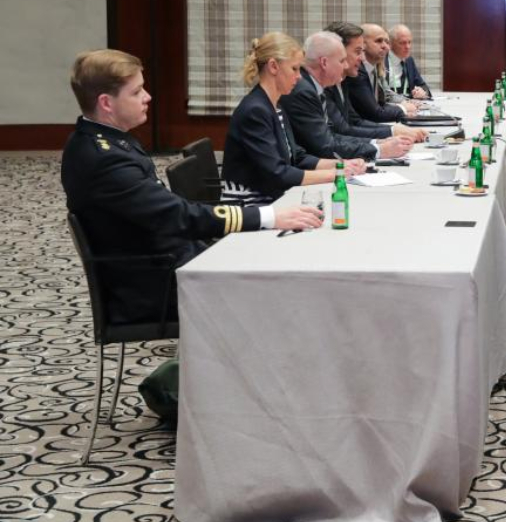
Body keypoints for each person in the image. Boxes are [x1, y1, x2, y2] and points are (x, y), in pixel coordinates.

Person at [62, 50, 322, 324]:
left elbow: (167, 214)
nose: (147, 97)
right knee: (283, 283)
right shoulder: (105, 159)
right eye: (136, 92)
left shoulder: (108, 140)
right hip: (155, 285)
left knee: (274, 255)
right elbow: (176, 216)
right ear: (106, 103)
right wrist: (268, 216)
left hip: (166, 260)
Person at [222, 32, 367, 206]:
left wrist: (342, 165)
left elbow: (297, 157)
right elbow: (278, 173)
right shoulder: (255, 111)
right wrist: (337, 174)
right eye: (294, 69)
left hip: (272, 196)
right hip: (249, 203)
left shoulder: (275, 105)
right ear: (273, 66)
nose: (299, 76)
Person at [279, 31, 415, 161]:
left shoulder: (315, 86)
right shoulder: (304, 91)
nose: (345, 66)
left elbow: (332, 136)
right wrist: (378, 150)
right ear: (324, 63)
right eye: (342, 61)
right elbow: (325, 146)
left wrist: (377, 142)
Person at [386, 23, 431, 100]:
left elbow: (423, 86)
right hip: (389, 102)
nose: (408, 47)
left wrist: (422, 92)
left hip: (408, 103)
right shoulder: (381, 60)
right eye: (402, 43)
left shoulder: (409, 60)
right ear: (390, 44)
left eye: (409, 42)